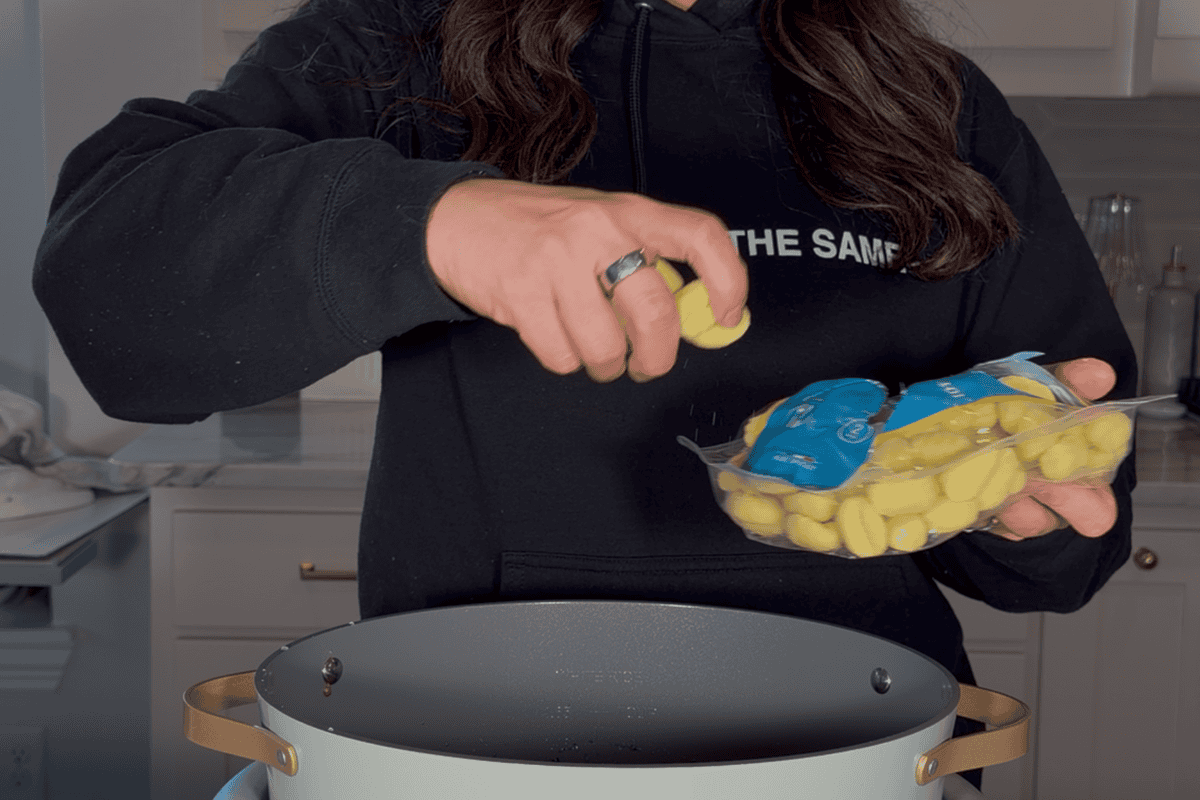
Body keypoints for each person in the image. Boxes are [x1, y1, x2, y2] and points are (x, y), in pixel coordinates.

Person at [33, 0, 1136, 788]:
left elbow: (1070, 530)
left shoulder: (933, 107)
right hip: (467, 755)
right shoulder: (394, 54)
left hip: (863, 754)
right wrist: (438, 225)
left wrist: (1014, 501)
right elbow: (109, 292)